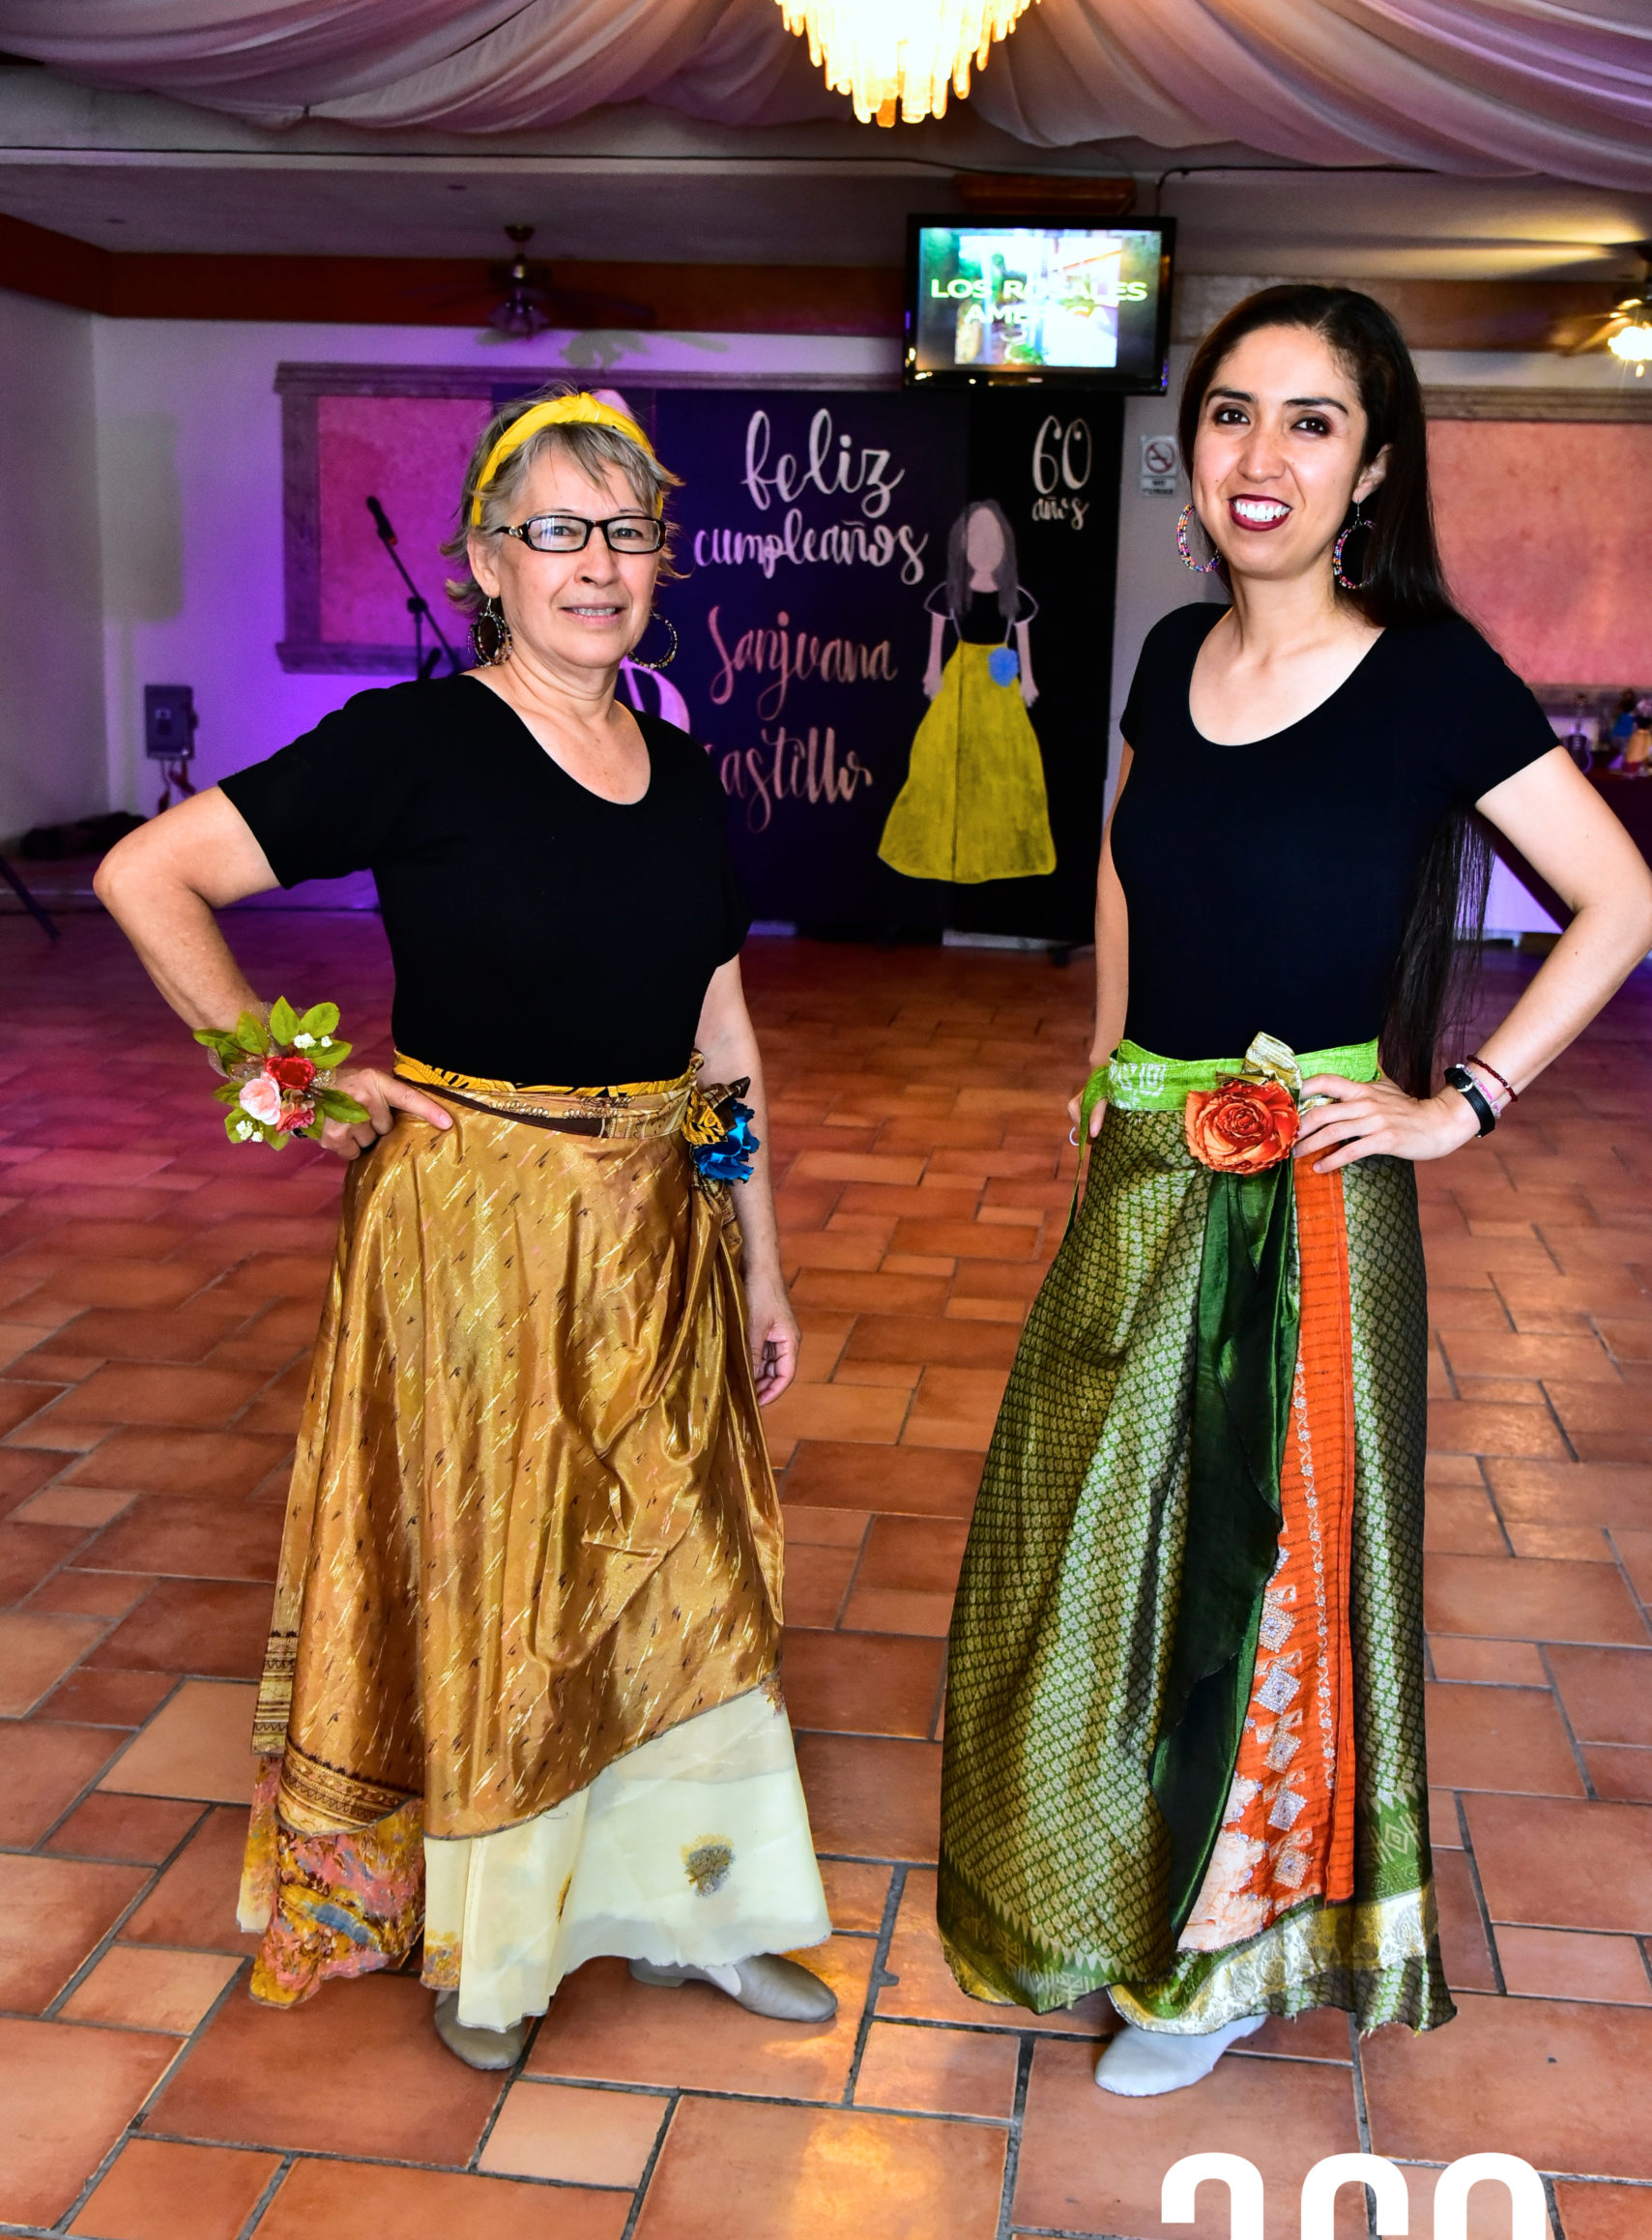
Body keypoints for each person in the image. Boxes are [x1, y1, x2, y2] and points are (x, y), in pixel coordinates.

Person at [938, 288, 1652, 2096]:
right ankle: (1109, 1883)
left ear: (1371, 467)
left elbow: (1619, 898)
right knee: (1098, 1540)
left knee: (1265, 1571)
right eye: (1232, 416)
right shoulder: (1166, 649)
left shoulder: (1426, 674)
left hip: (1318, 1192)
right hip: (1142, 1161)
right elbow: (1122, 870)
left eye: (1310, 422)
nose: (1261, 458)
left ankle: (1223, 1958)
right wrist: (1101, 1065)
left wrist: (1456, 1104)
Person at [96, 389, 835, 2071]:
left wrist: (759, 1251)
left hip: (660, 1216)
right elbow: (152, 876)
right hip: (473, 1231)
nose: (594, 564)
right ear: (486, 561)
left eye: (625, 530)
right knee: (510, 1577)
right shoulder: (414, 743)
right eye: (554, 531)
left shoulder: (686, 765)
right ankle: (489, 1952)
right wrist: (287, 1074)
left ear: (661, 559)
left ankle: (691, 1908)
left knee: (686, 1572)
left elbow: (717, 1025)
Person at [878, 500, 1055, 885]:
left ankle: (1000, 853)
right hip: (960, 677)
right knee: (938, 759)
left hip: (1000, 683)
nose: (985, 547)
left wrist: (1028, 679)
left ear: (1004, 544)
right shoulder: (950, 593)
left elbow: (1022, 638)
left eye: (992, 538)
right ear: (962, 543)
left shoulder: (1014, 596)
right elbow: (936, 641)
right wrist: (931, 673)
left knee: (1004, 765)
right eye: (977, 538)